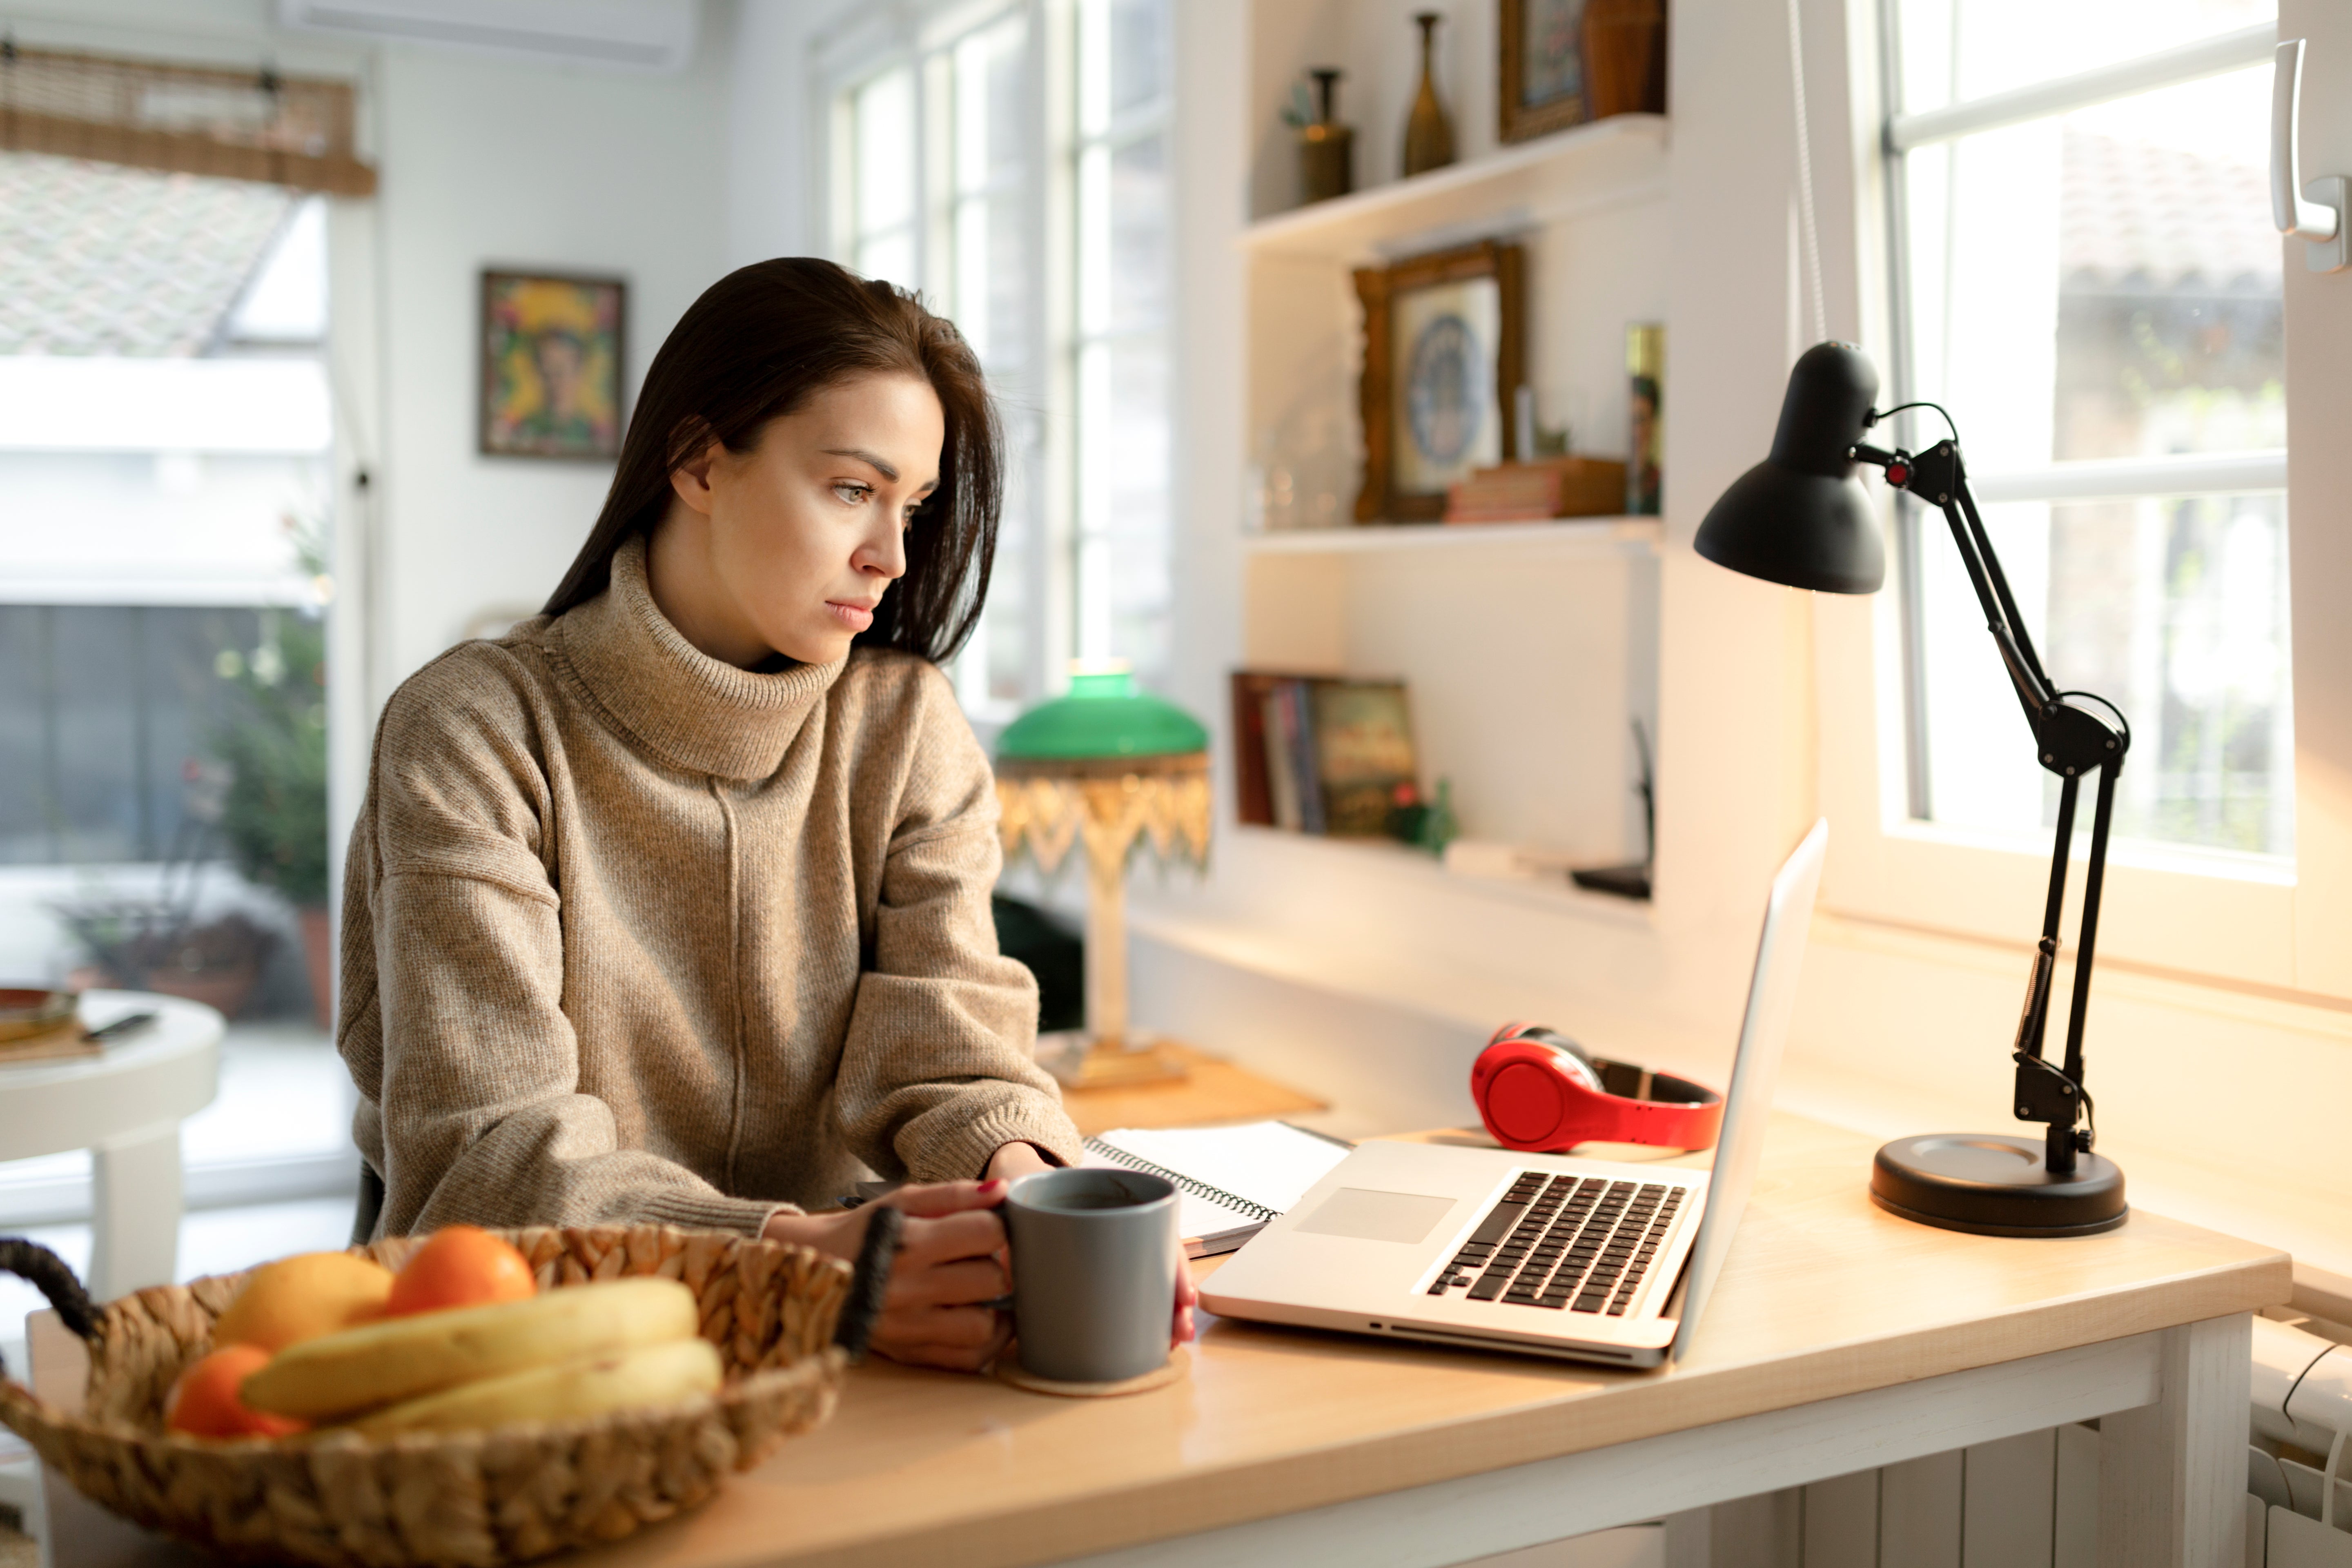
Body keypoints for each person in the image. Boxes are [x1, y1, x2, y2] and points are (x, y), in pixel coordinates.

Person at [339, 258, 1193, 1370]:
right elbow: (490, 1165)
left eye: (914, 506)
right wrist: (800, 1255)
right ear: (698, 461)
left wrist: (1031, 1180)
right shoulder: (473, 730)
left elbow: (953, 1056)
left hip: (842, 1339)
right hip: (539, 1354)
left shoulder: (906, 724)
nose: (890, 556)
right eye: (852, 489)